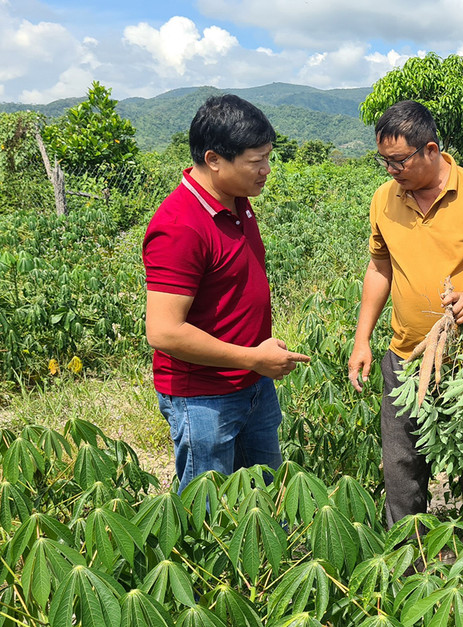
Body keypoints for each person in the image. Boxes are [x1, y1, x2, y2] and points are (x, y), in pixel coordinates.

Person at [347, 100, 463, 541]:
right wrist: (362, 338)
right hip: (406, 358)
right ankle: (407, 562)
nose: (391, 171)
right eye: (383, 161)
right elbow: (379, 268)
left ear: (430, 149)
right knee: (402, 469)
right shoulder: (384, 198)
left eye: (399, 161)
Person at [143, 94, 309, 493]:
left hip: (253, 383)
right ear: (215, 159)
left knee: (265, 501)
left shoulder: (236, 202)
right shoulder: (180, 225)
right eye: (257, 161)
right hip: (204, 397)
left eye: (269, 158)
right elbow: (164, 332)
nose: (266, 171)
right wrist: (253, 357)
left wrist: (256, 359)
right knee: (210, 513)